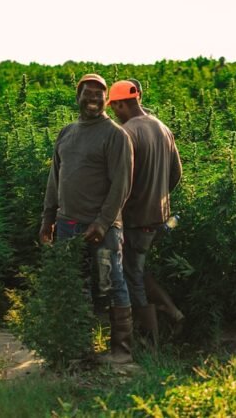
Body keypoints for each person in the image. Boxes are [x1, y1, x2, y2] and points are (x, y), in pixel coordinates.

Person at [39, 73, 135, 364]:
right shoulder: (66, 133)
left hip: (103, 228)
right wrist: (47, 218)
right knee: (74, 283)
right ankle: (79, 349)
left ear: (107, 99)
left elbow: (122, 184)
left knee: (113, 283)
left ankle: (121, 351)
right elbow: (55, 178)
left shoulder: (116, 135)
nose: (93, 98)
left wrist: (103, 222)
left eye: (99, 94)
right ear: (78, 96)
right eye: (87, 93)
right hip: (68, 223)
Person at [107, 80, 183, 347]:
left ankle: (150, 340)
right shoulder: (162, 128)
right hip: (159, 217)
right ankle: (172, 311)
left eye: (114, 107)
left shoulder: (127, 132)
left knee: (131, 277)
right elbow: (176, 174)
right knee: (137, 268)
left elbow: (120, 182)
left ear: (121, 103)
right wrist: (159, 196)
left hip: (136, 218)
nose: (114, 113)